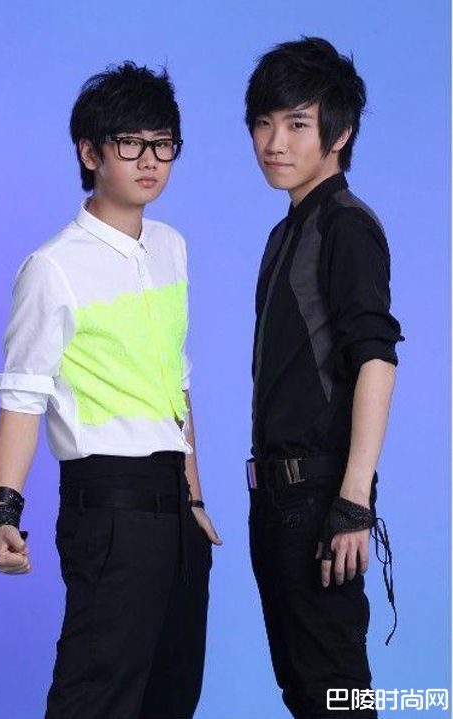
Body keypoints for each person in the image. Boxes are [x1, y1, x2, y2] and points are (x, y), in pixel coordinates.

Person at [0, 61, 221, 719]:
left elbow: (176, 381)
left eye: (163, 144)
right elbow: (23, 398)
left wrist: (195, 497)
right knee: (97, 696)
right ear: (90, 153)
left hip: (175, 507)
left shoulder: (171, 247)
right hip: (108, 506)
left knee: (172, 694)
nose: (150, 160)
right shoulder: (52, 267)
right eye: (130, 143)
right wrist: (4, 513)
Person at [244, 37, 404, 719]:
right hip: (276, 500)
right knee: (305, 690)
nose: (274, 142)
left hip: (321, 499)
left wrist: (353, 502)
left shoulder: (345, 224)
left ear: (339, 134)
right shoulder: (286, 232)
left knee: (335, 696)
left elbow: (376, 359)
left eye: (297, 123)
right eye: (263, 122)